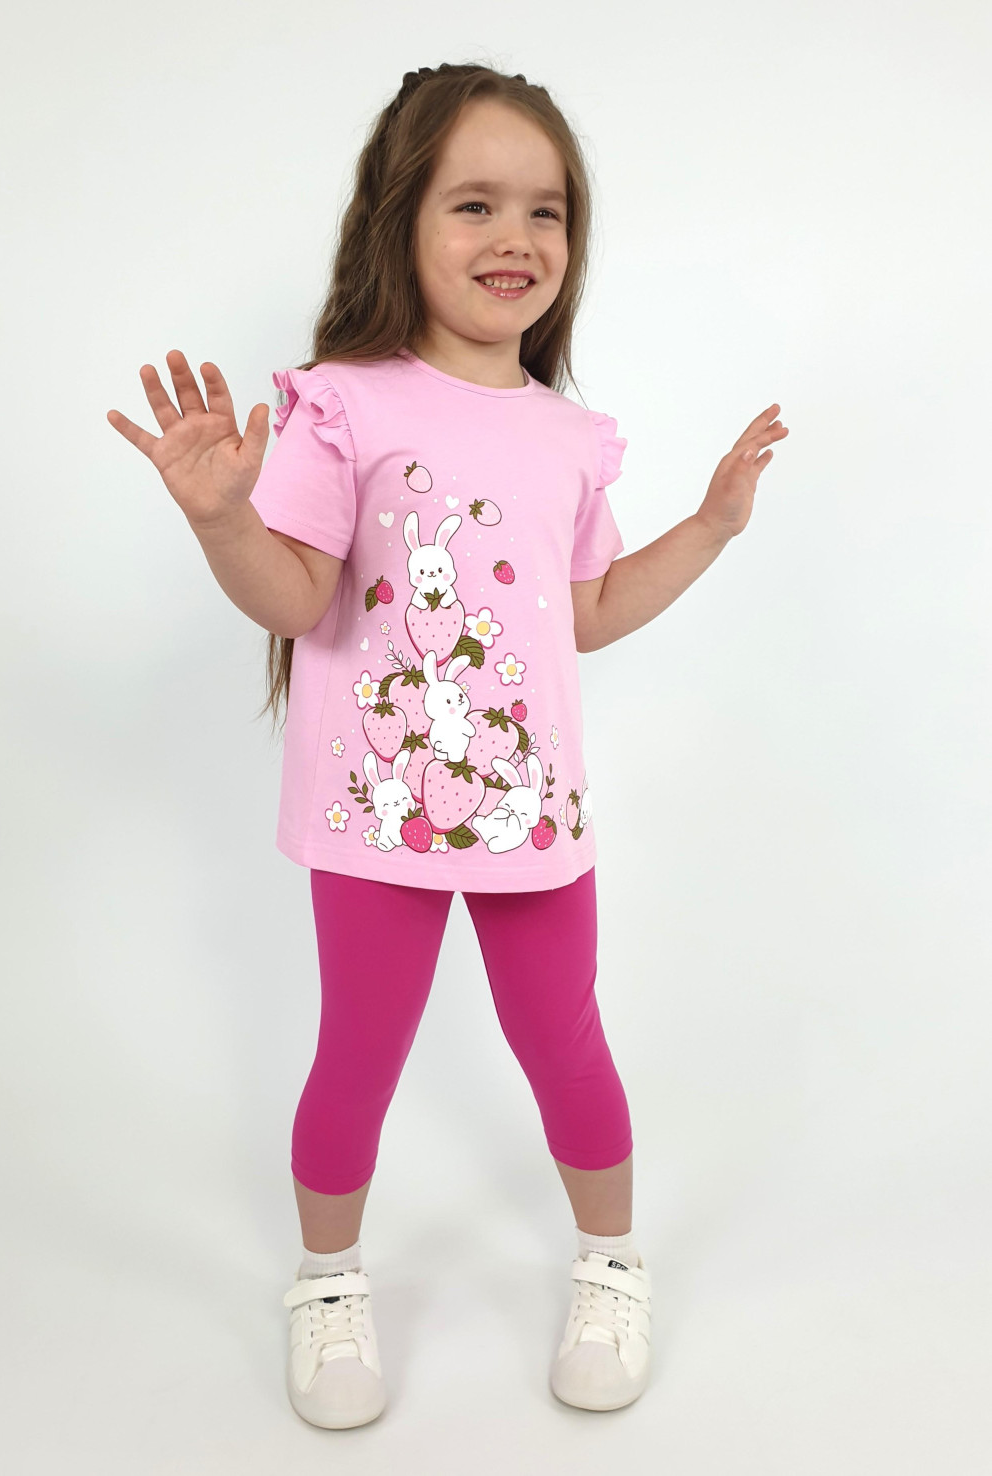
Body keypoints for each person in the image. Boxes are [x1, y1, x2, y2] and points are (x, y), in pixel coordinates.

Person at [107, 62, 788, 1431]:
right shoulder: (344, 403)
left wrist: (711, 529)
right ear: (400, 219)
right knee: (358, 1054)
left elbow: (585, 611)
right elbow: (296, 598)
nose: (514, 237)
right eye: (474, 203)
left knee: (566, 1044)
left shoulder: (570, 435)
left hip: (531, 818)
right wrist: (225, 521)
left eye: (546, 210)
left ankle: (612, 1264)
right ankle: (327, 1283)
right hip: (375, 817)